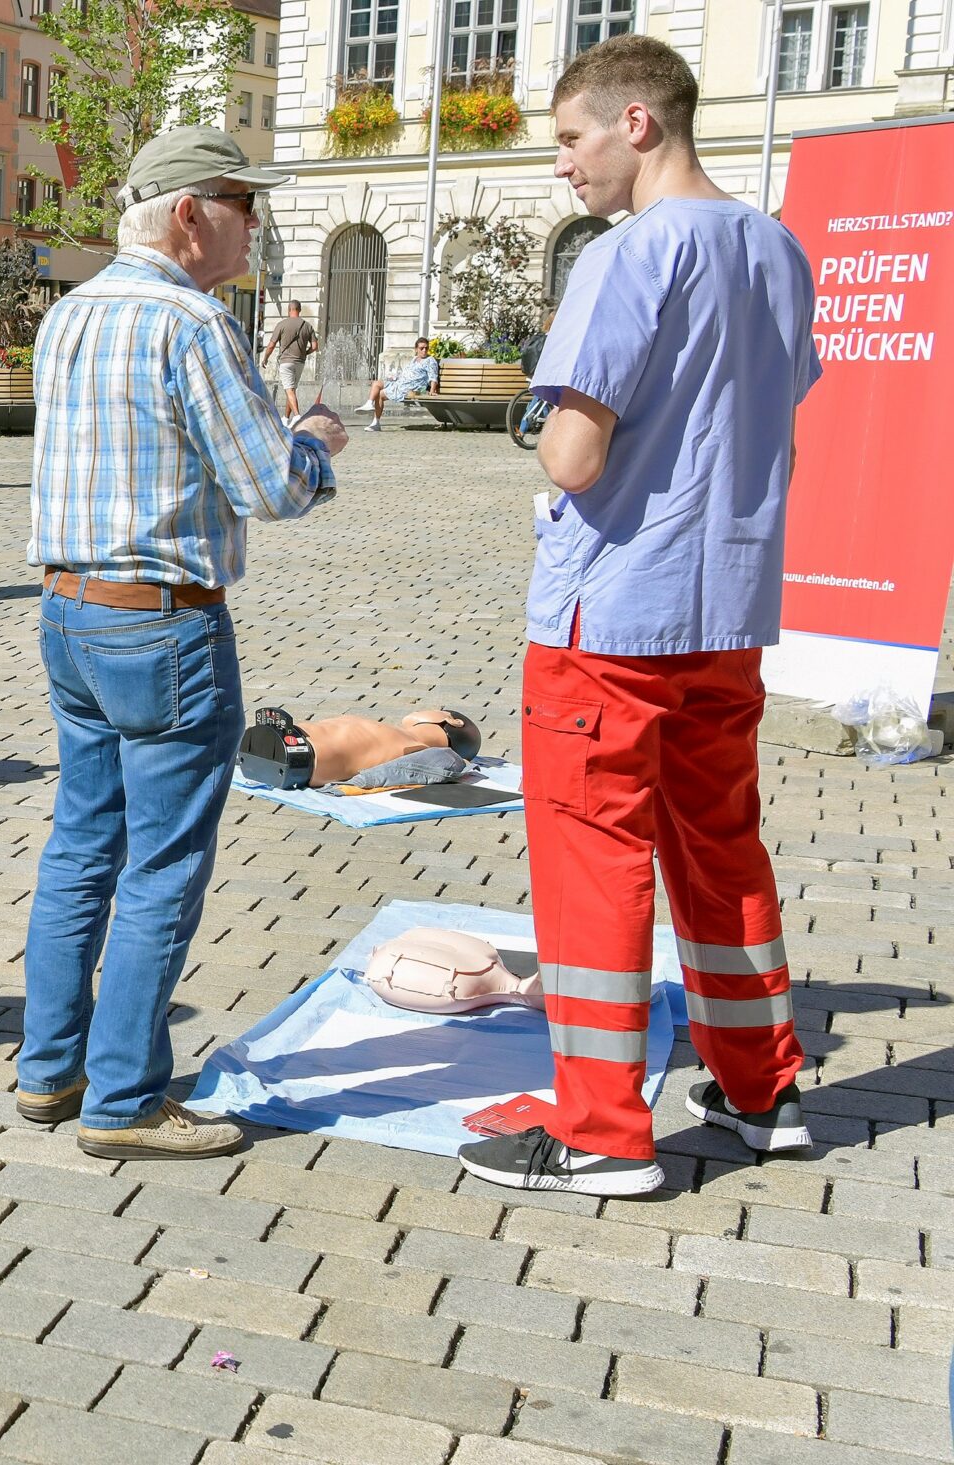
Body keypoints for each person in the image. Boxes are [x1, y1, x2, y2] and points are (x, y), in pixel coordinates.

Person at [456, 36, 820, 1196]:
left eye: (571, 138)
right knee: (722, 846)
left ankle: (601, 1127)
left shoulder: (629, 255)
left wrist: (546, 433)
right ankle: (761, 1088)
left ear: (638, 125)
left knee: (593, 860)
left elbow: (573, 452)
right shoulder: (775, 246)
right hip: (727, 605)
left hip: (610, 613)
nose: (563, 164)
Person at [19, 127, 344, 1160]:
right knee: (162, 859)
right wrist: (318, 445)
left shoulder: (68, 313)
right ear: (190, 214)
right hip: (161, 619)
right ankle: (123, 1099)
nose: (257, 220)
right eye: (244, 201)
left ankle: (49, 1067)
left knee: (81, 843)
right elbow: (269, 486)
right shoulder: (193, 322)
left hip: (69, 609)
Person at [259, 706, 481, 786]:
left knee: (335, 729)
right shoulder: (413, 747)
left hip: (301, 750)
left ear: (452, 720)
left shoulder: (411, 743)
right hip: (306, 765)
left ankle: (276, 741)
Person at [362, 336, 439, 430]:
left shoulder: (430, 360)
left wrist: (432, 390)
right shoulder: (414, 359)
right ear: (416, 349)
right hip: (401, 383)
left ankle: (375, 423)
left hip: (412, 388)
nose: (424, 350)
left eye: (426, 348)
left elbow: (433, 377)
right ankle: (369, 404)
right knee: (376, 383)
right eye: (421, 348)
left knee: (380, 394)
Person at [260, 300, 318, 418]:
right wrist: (305, 353)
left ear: (289, 309)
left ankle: (297, 416)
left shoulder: (282, 324)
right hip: (300, 363)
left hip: (286, 362)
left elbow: (271, 345)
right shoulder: (307, 326)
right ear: (299, 310)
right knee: (291, 389)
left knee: (289, 389)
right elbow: (315, 347)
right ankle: (286, 418)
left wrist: (265, 358)